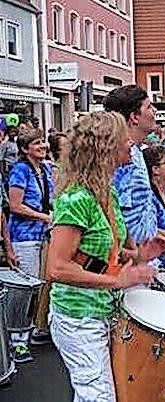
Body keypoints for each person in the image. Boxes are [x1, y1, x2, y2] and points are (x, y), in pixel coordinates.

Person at [47, 111, 165, 402]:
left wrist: (138, 256)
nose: (131, 142)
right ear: (105, 147)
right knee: (98, 397)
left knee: (103, 393)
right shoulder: (76, 199)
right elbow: (57, 267)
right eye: (123, 137)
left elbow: (97, 255)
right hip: (77, 317)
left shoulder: (106, 193)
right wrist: (117, 281)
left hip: (103, 310)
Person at [8, 129, 54, 362]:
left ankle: (31, 331)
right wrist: (46, 218)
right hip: (24, 237)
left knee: (40, 287)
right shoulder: (20, 170)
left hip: (43, 235)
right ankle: (17, 341)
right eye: (36, 143)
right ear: (25, 149)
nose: (43, 146)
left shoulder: (45, 169)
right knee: (26, 290)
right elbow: (15, 206)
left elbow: (49, 200)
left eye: (43, 141)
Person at [104, 85, 160, 246]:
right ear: (134, 117)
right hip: (131, 261)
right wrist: (133, 255)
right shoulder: (125, 159)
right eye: (149, 106)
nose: (155, 111)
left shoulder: (136, 151)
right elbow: (117, 216)